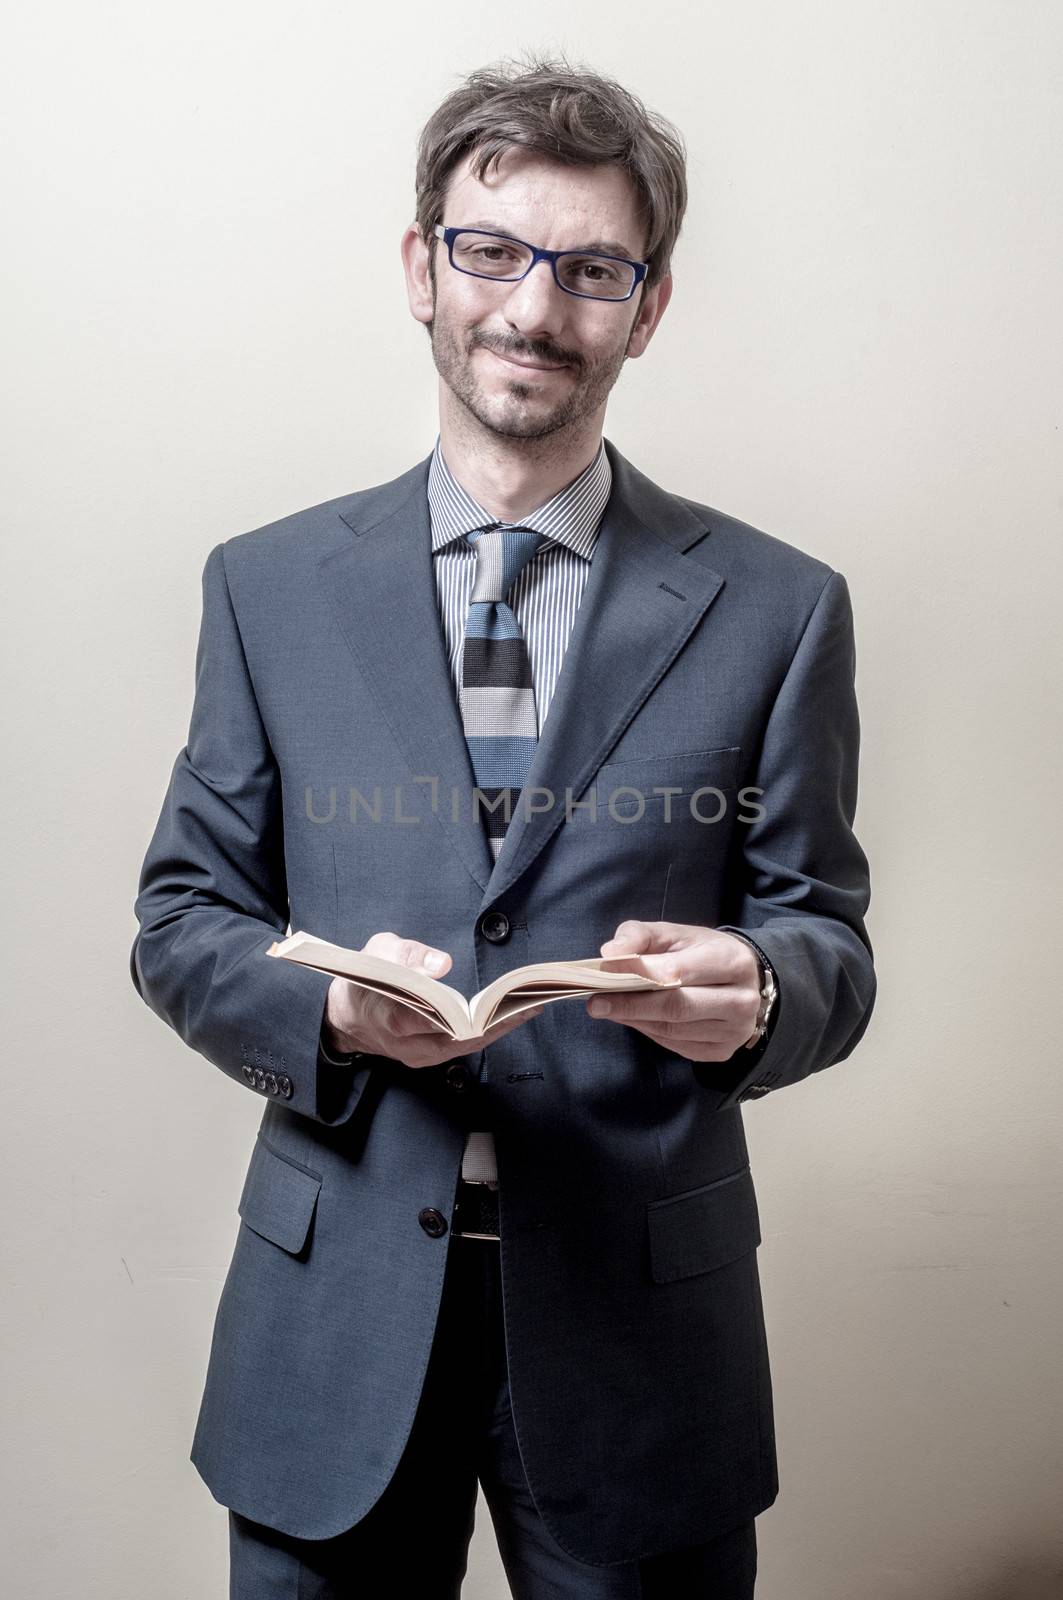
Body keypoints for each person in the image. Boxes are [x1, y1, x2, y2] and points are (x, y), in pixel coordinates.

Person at [130, 52, 876, 1600]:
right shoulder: (263, 588)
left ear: (646, 306)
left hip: (640, 1331)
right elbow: (185, 919)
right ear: (424, 267)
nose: (535, 311)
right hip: (332, 1317)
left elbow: (827, 940)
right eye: (493, 252)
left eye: (592, 270)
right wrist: (328, 1009)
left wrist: (764, 993)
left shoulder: (783, 609)